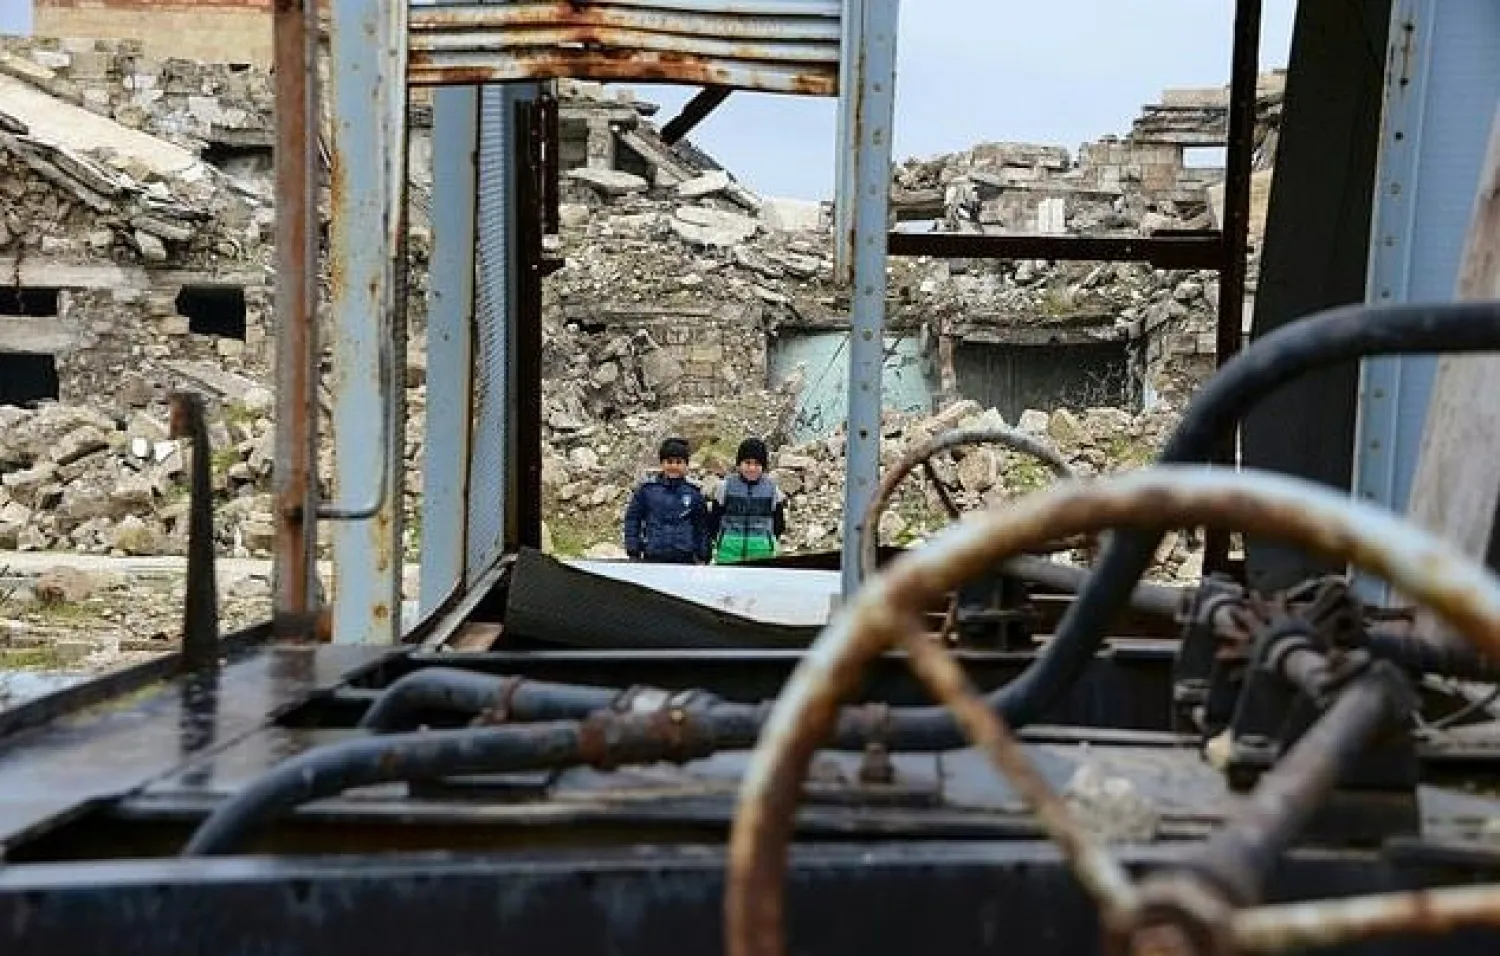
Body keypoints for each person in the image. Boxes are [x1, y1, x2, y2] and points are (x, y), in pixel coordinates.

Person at [622, 437, 709, 564]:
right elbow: (632, 520)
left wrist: (703, 554)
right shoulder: (646, 490)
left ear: (686, 465)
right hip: (653, 556)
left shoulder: (694, 494)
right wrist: (633, 548)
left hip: (685, 559)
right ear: (662, 463)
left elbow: (702, 527)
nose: (674, 466)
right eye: (669, 461)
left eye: (679, 462)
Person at [708, 437, 787, 564]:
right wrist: (718, 542)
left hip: (762, 552)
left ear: (764, 466)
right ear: (739, 464)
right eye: (747, 463)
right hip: (728, 553)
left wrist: (766, 542)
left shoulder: (772, 489)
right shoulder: (725, 486)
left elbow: (779, 523)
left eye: (757, 464)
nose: (752, 468)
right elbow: (714, 520)